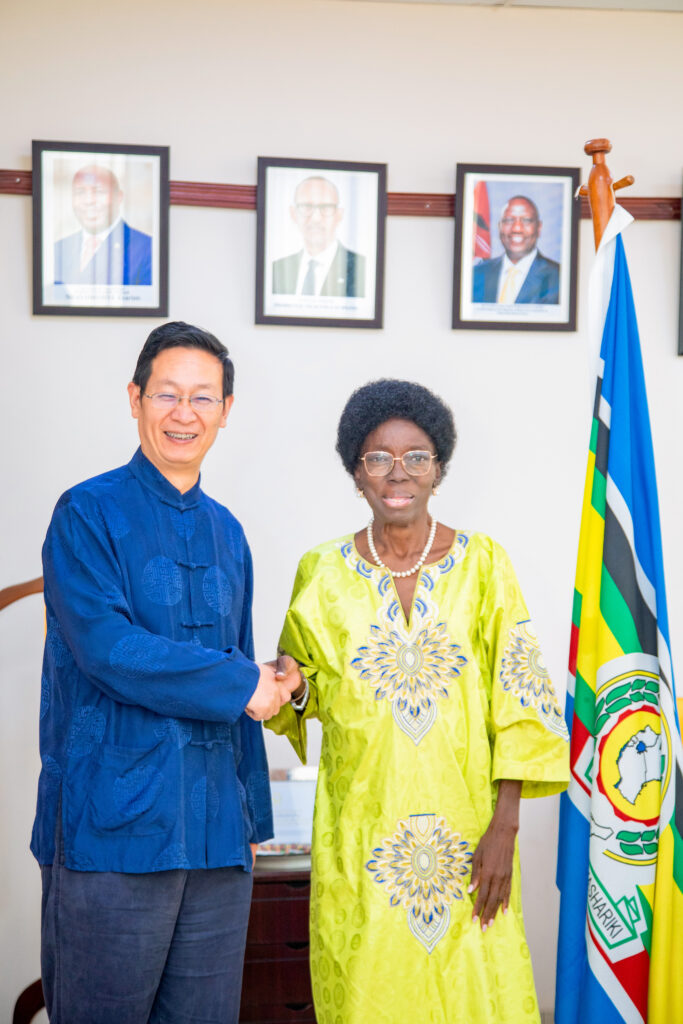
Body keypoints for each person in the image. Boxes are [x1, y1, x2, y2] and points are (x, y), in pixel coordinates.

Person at [269, 379, 570, 1024]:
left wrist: (505, 826)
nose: (397, 472)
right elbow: (305, 692)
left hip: (469, 837)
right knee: (366, 996)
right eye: (378, 457)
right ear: (356, 471)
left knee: (474, 997)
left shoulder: (485, 564)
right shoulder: (320, 572)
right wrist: (289, 688)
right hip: (361, 837)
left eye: (418, 456)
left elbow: (519, 699)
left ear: (440, 470)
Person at [33, 321, 298, 1024]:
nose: (184, 413)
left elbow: (239, 662)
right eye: (167, 395)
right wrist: (248, 685)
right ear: (135, 398)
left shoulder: (228, 531)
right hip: (109, 830)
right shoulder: (86, 512)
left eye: (202, 398)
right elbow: (108, 649)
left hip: (217, 839)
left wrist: (252, 817)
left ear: (226, 410)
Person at [54, 164, 153, 286]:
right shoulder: (59, 249)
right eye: (80, 192)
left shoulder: (147, 250)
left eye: (99, 192)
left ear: (119, 197)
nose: (89, 200)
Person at [272, 175, 365, 297]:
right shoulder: (278, 270)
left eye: (326, 207)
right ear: (293, 213)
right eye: (306, 207)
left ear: (339, 214)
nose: (316, 218)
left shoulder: (360, 268)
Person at [472, 195, 560, 304]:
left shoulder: (559, 277)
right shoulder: (475, 274)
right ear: (500, 226)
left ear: (539, 228)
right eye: (509, 220)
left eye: (526, 220)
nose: (516, 228)